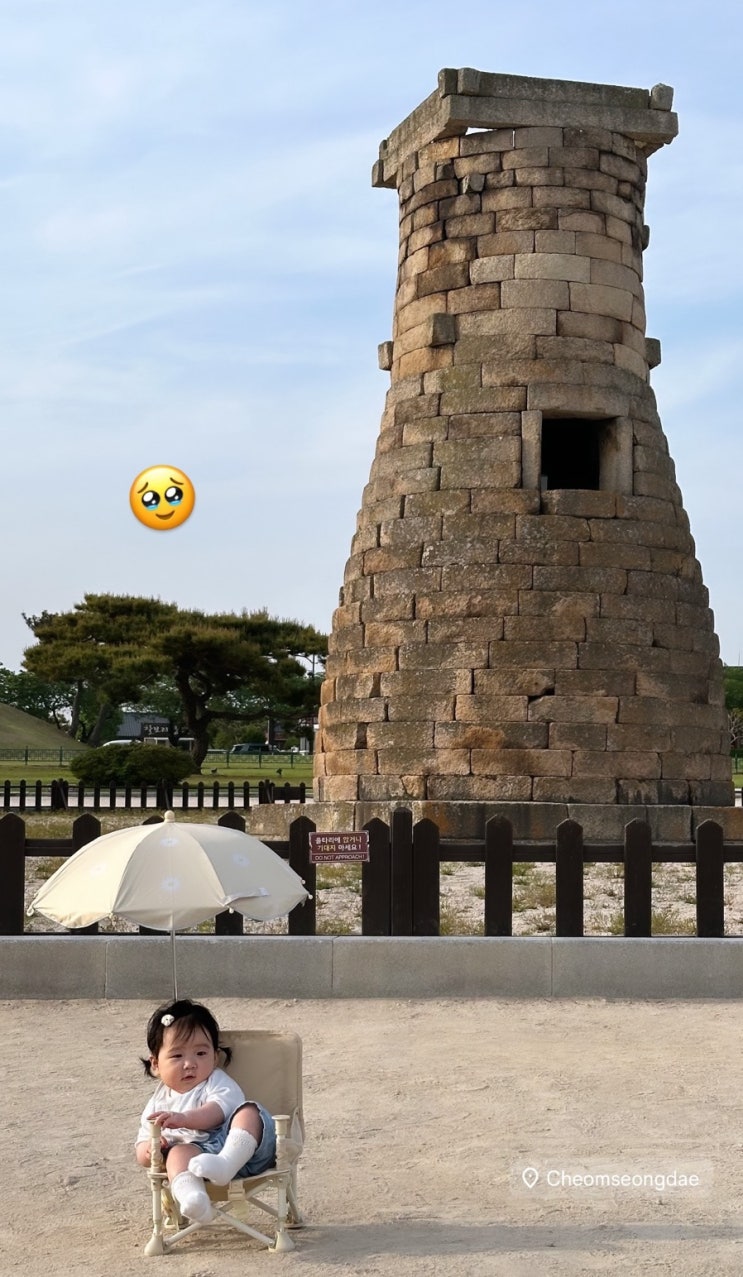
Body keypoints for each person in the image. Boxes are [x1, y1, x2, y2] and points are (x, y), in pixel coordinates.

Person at [135, 998, 276, 1223]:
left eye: (201, 1053)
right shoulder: (156, 1103)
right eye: (177, 1056)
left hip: (240, 1151)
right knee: (177, 1154)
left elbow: (216, 1111)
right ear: (155, 1064)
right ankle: (193, 1198)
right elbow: (142, 1142)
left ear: (215, 1056)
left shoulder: (216, 1081)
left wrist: (184, 1118)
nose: (190, 1063)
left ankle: (225, 1164)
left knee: (250, 1111)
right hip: (196, 1163)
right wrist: (150, 1150)